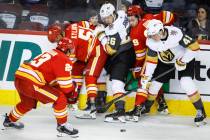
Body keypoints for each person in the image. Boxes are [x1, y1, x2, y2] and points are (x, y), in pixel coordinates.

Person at [3, 37, 79, 137]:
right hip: (31, 83)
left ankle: (9, 120)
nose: (72, 51)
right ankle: (62, 125)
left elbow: (48, 76)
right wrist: (73, 93)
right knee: (60, 98)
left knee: (27, 103)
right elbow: (66, 87)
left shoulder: (51, 52)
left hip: (20, 78)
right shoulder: (64, 59)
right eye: (71, 49)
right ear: (67, 49)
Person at [142, 19, 207, 126]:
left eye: (153, 34)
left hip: (184, 58)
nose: (151, 37)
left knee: (186, 82)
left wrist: (182, 61)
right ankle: (147, 107)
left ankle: (200, 111)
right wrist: (146, 76)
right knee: (154, 85)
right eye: (150, 35)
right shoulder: (151, 41)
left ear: (161, 31)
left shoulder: (176, 34)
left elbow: (195, 47)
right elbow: (151, 61)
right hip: (165, 62)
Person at [125, 5, 175, 122]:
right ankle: (162, 103)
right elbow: (169, 16)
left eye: (132, 19)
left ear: (138, 16)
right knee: (154, 81)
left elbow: (140, 55)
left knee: (144, 80)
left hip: (152, 55)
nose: (131, 22)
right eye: (129, 20)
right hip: (165, 54)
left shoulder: (134, 33)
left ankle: (137, 108)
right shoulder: (149, 17)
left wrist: (137, 68)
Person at [99, 3, 136, 123]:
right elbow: (124, 12)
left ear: (113, 14)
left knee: (116, 82)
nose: (106, 20)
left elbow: (111, 50)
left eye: (108, 17)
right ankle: (101, 100)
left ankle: (120, 111)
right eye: (104, 18)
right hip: (129, 50)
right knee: (101, 72)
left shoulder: (113, 29)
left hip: (122, 54)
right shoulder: (121, 14)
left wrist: (101, 36)